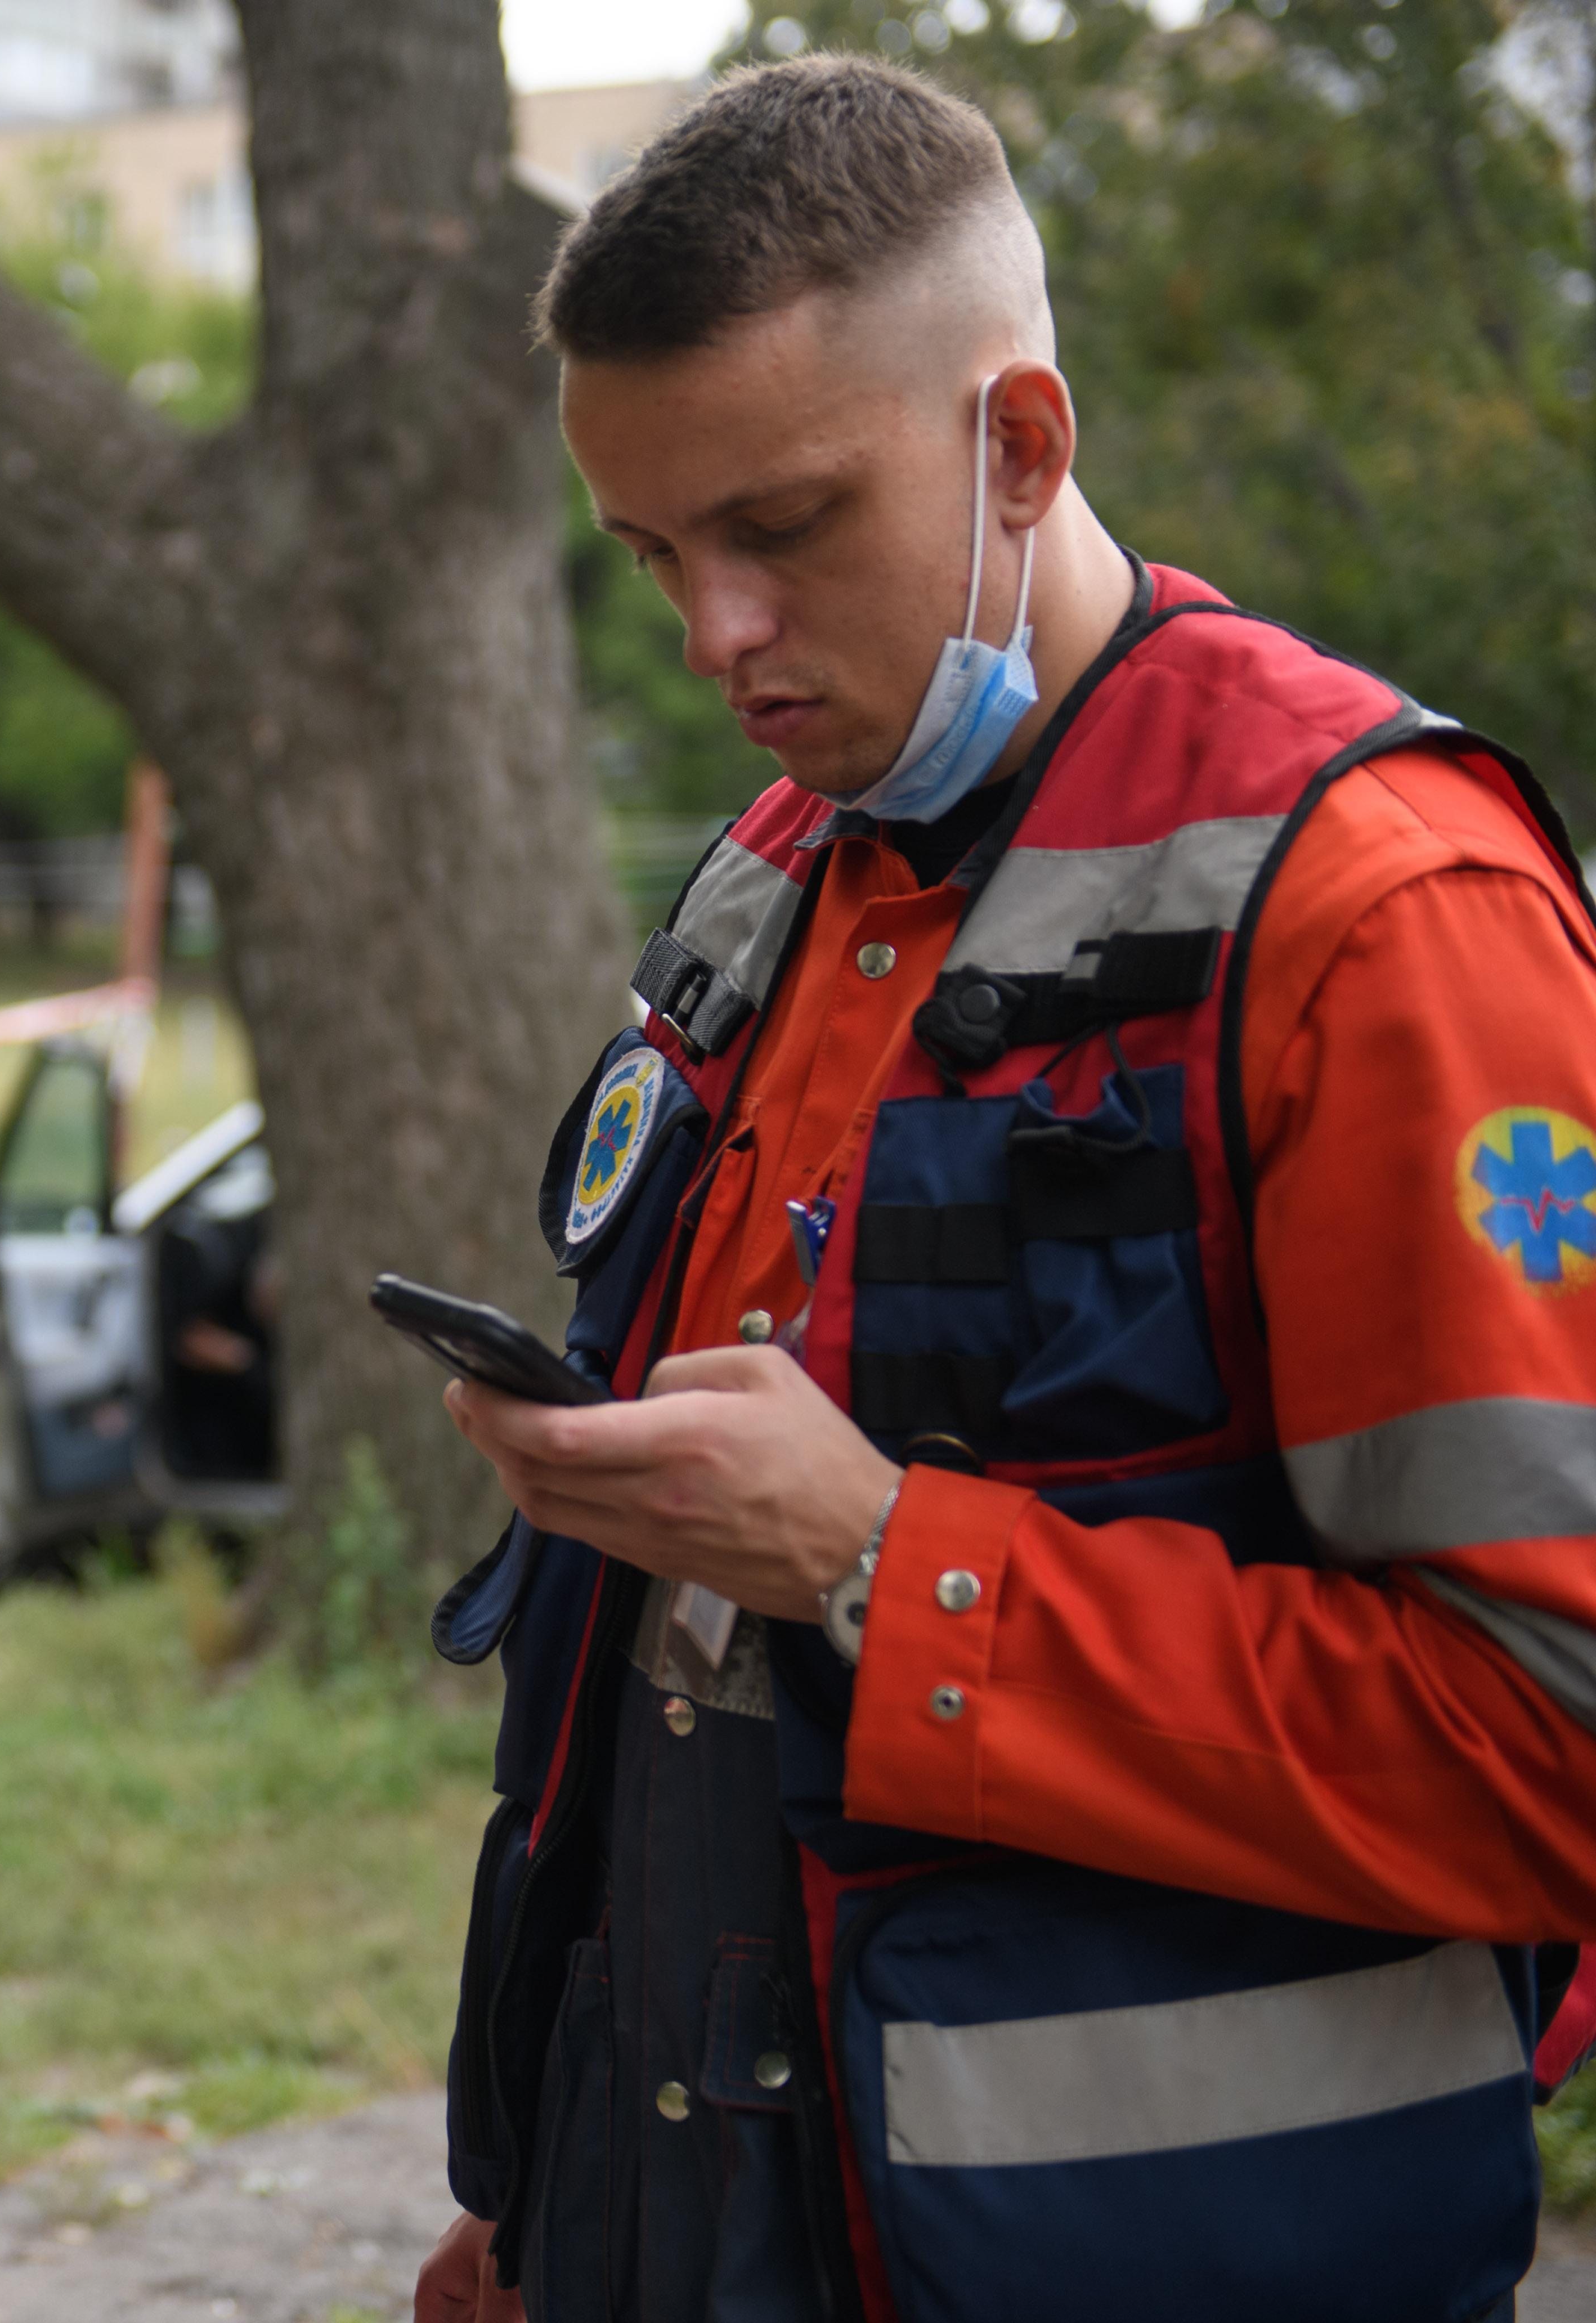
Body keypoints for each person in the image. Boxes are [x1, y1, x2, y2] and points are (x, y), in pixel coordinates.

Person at [415, 56, 1596, 2323]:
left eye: (781, 524)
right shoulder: (787, 868)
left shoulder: (1385, 911)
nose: (713, 639)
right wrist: (543, 2216)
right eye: (655, 552)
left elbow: (1550, 1743)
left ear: (1023, 443)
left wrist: (879, 1561)